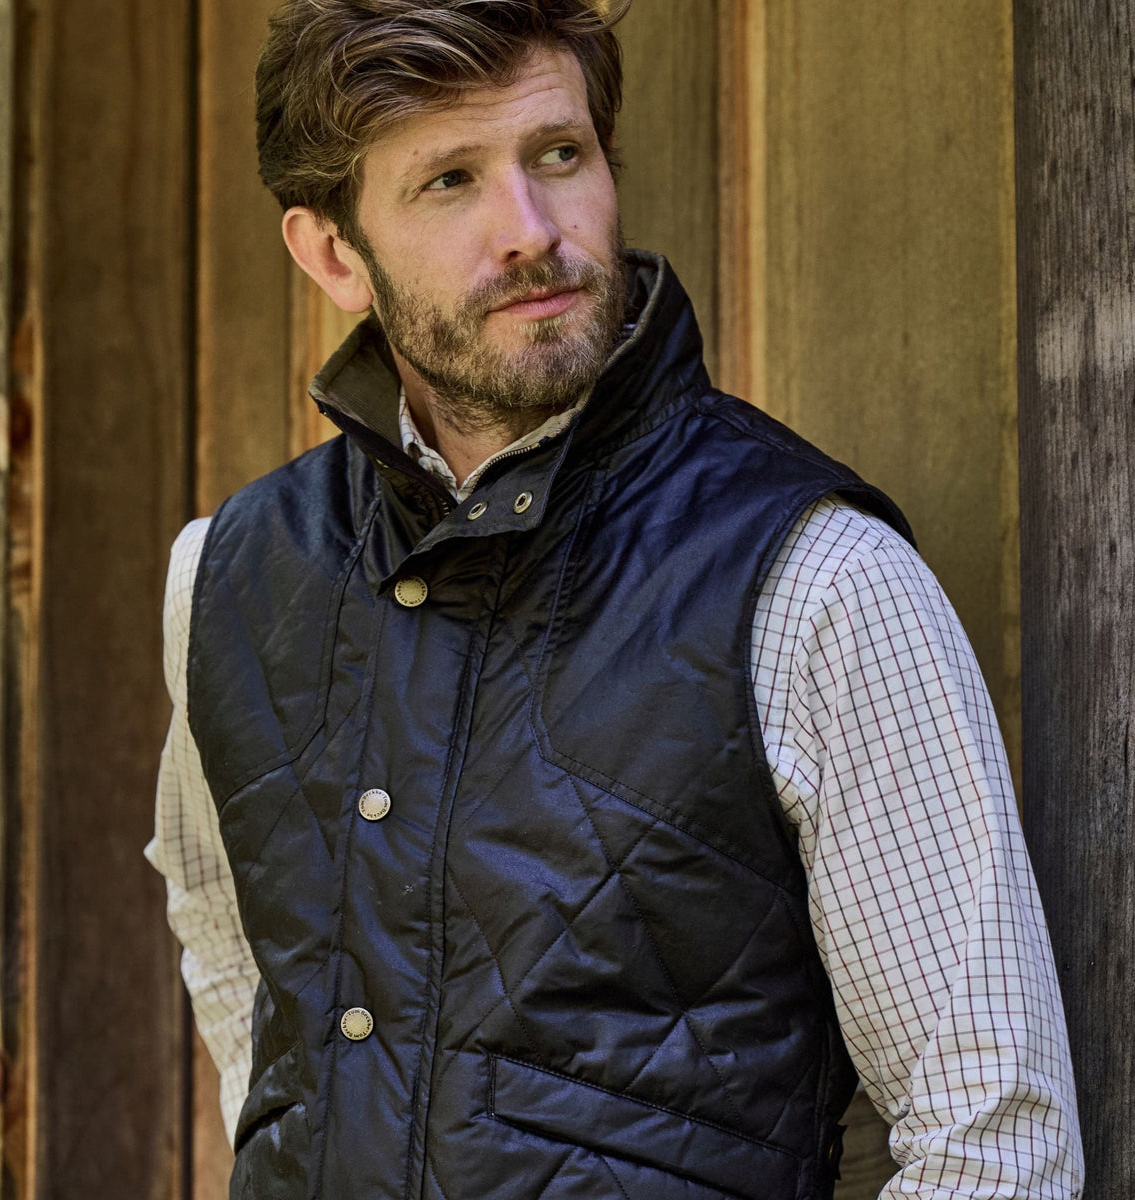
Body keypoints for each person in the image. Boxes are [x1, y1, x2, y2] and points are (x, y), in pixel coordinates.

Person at [146, 1, 1083, 1197]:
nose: (531, 231)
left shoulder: (816, 581)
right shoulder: (224, 577)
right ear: (333, 254)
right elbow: (242, 964)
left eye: (557, 155)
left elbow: (992, 1139)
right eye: (449, 182)